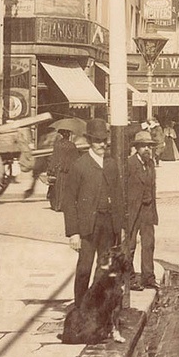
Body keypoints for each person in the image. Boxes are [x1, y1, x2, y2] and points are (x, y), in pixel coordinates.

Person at [62, 118, 124, 307]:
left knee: (104, 269)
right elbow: (68, 201)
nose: (102, 144)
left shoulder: (111, 164)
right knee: (84, 269)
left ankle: (98, 308)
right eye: (97, 141)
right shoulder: (79, 166)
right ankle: (80, 309)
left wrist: (120, 227)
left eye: (104, 140)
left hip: (107, 225)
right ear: (90, 141)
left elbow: (119, 197)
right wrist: (73, 232)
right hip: (87, 227)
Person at [126, 130, 160, 291]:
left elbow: (152, 188)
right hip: (133, 210)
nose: (147, 149)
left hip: (147, 209)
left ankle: (148, 277)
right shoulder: (129, 164)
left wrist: (153, 210)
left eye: (149, 146)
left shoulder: (151, 163)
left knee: (148, 244)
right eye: (143, 146)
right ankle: (130, 279)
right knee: (130, 245)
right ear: (137, 148)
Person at [47, 127, 80, 213]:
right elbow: (76, 159)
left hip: (60, 171)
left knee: (58, 188)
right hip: (69, 170)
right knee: (68, 189)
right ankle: (66, 206)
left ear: (61, 135)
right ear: (68, 135)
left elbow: (55, 158)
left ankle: (58, 206)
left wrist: (50, 170)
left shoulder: (58, 144)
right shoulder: (72, 145)